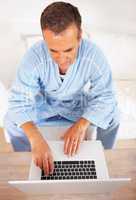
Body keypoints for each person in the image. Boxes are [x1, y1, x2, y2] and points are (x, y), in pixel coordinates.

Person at [4, 1, 119, 175]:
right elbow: (18, 100)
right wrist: (36, 139)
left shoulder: (94, 55)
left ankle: (102, 155)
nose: (61, 58)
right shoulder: (33, 57)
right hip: (44, 105)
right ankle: (28, 159)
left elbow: (106, 96)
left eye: (68, 49)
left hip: (77, 105)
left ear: (79, 36)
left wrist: (82, 124)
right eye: (53, 51)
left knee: (114, 115)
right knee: (10, 120)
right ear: (44, 38)